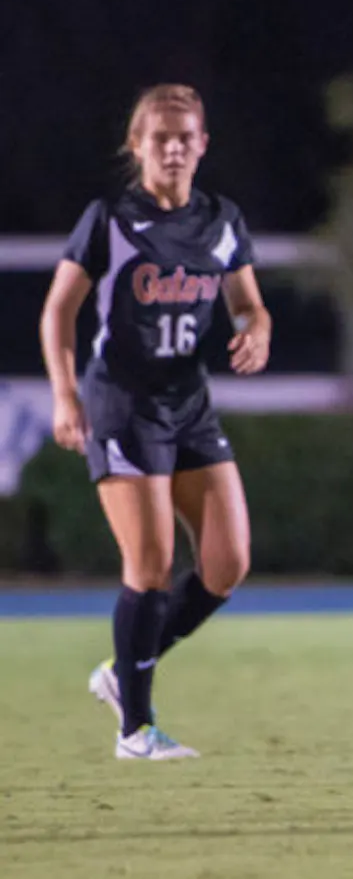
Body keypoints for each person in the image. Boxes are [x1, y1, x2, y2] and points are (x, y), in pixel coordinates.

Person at [39, 84, 271, 761]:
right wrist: (64, 395)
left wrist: (256, 330)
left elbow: (250, 305)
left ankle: (121, 669)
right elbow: (58, 311)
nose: (172, 147)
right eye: (159, 137)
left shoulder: (223, 219)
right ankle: (135, 729)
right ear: (136, 145)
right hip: (122, 402)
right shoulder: (108, 218)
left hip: (189, 402)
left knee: (227, 564)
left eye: (185, 136)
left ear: (202, 144)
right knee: (152, 563)